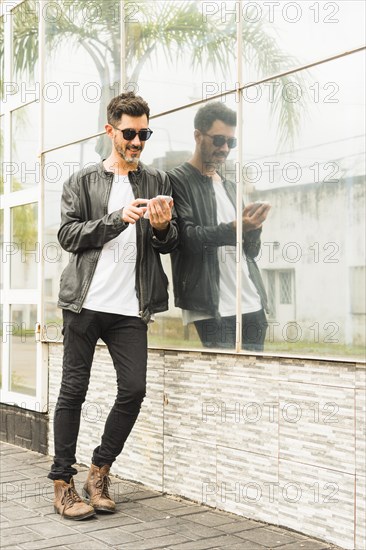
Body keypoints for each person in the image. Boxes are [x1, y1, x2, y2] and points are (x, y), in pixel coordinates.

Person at [48, 92, 178, 520]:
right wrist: (116, 219)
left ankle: (99, 470)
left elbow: (170, 242)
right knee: (74, 390)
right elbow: (68, 236)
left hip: (129, 307)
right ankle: (63, 483)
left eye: (144, 133)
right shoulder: (82, 181)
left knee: (134, 389)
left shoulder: (158, 181)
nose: (137, 141)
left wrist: (161, 229)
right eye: (130, 133)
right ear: (111, 131)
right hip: (84, 304)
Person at [167, 101, 270, 351]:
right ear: (197, 136)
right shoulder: (176, 180)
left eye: (231, 143)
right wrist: (237, 227)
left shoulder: (231, 187)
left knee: (253, 382)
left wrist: (254, 228)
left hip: (251, 303)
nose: (225, 148)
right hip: (210, 307)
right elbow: (187, 238)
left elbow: (251, 252)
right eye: (218, 140)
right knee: (224, 382)